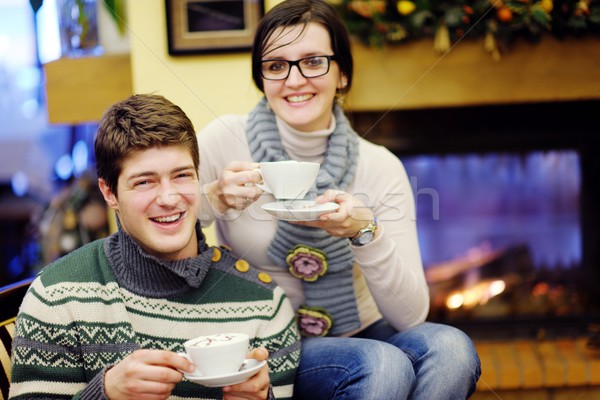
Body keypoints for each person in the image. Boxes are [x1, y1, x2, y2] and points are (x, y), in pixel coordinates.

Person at [197, 0, 481, 398]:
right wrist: (213, 198)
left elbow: (412, 316)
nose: (294, 79)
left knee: (450, 348)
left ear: (343, 74)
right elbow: (158, 224)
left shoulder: (379, 166)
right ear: (261, 77)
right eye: (276, 65)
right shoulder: (225, 139)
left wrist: (364, 232)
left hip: (361, 327)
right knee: (381, 364)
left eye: (313, 61)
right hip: (266, 337)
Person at [9, 94, 300, 400]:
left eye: (182, 175)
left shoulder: (266, 306)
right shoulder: (57, 297)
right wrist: (106, 393)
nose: (169, 198)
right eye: (144, 182)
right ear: (109, 193)